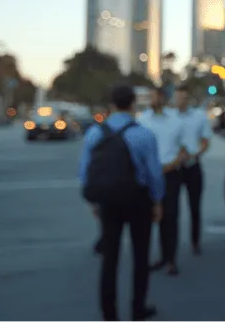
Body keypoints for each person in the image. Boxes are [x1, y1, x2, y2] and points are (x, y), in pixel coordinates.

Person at [79, 84, 164, 322]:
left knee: (110, 259)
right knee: (140, 256)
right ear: (133, 103)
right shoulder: (144, 134)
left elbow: (85, 172)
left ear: (112, 104)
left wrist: (95, 202)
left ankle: (110, 314)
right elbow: (154, 173)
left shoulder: (95, 134)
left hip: (108, 202)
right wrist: (157, 201)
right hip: (138, 200)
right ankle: (138, 309)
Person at [139, 85, 187, 276]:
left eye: (153, 96)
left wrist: (172, 164)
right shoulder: (142, 120)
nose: (151, 100)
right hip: (148, 176)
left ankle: (170, 259)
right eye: (149, 96)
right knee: (147, 217)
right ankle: (147, 258)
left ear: (162, 98)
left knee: (170, 217)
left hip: (170, 174)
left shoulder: (176, 120)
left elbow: (184, 149)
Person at [173, 84, 213, 255]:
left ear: (188, 98)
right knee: (171, 210)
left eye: (183, 97)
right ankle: (170, 248)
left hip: (193, 165)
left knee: (195, 207)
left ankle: (195, 241)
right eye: (177, 97)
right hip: (174, 167)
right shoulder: (169, 117)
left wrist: (194, 154)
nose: (180, 100)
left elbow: (205, 141)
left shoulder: (199, 116)